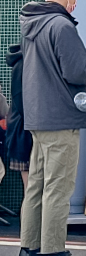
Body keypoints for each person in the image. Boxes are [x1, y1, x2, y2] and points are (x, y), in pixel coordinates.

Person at [19, 0, 86, 256]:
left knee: (38, 188)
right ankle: (55, 255)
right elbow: (77, 72)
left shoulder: (32, 22)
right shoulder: (61, 25)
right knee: (58, 189)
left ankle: (31, 252)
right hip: (60, 116)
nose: (76, 3)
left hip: (37, 115)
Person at [5, 42, 31, 201]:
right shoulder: (26, 64)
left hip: (18, 130)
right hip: (24, 131)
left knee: (30, 192)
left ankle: (29, 226)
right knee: (31, 193)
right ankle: (31, 227)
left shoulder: (19, 63)